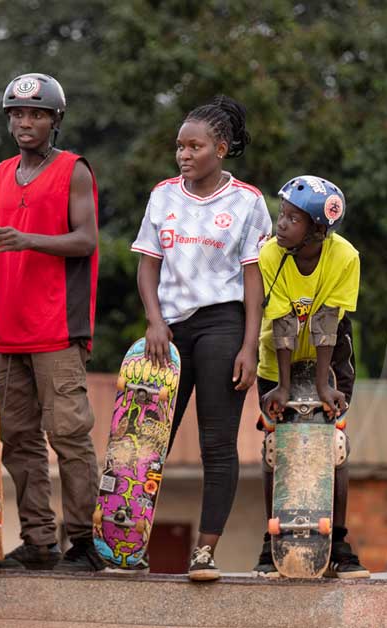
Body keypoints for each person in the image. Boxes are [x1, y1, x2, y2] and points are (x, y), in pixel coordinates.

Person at [130, 95, 271, 581]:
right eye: (179, 147)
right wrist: (153, 321)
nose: (184, 155)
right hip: (166, 331)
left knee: (217, 443)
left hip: (222, 324)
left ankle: (205, 551)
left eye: (195, 146)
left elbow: (254, 279)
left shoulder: (248, 201)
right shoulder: (163, 195)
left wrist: (250, 345)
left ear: (222, 148)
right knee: (147, 441)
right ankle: (128, 543)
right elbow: (148, 266)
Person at [0, 73, 104, 572]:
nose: (25, 122)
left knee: (69, 436)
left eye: (36, 114)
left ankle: (83, 542)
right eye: (17, 114)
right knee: (19, 441)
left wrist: (29, 240)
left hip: (57, 328)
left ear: (55, 120)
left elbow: (86, 240)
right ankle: (38, 541)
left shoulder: (73, 170)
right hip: (8, 330)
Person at [250, 175, 370, 580]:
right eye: (281, 215)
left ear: (318, 229)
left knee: (333, 444)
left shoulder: (345, 257)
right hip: (276, 359)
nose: (280, 224)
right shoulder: (270, 254)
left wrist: (323, 385)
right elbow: (282, 322)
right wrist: (282, 387)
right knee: (275, 444)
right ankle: (272, 543)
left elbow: (328, 320)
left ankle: (338, 543)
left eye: (292, 219)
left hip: (330, 357)